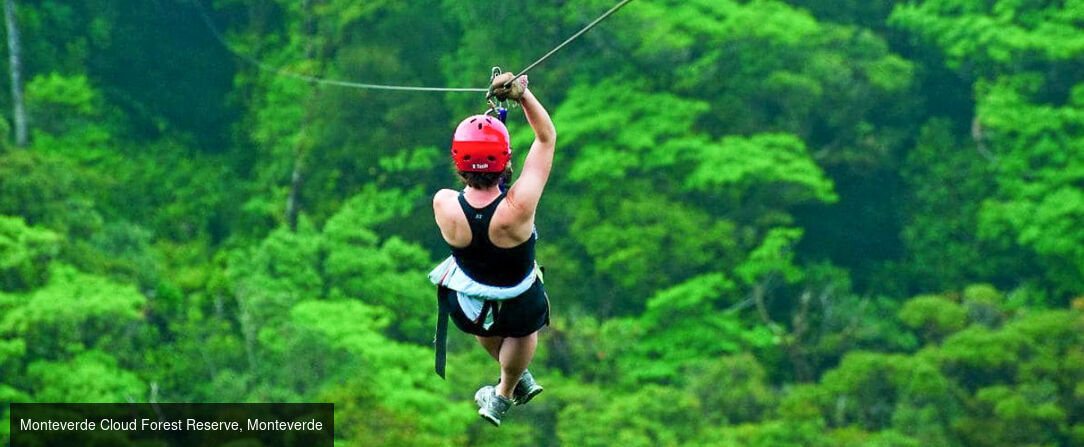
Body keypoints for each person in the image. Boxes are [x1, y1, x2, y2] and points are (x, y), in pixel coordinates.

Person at [428, 72, 556, 427]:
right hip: (518, 302)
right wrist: (523, 97)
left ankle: (512, 382)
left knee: (489, 319)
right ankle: (504, 393)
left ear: (458, 163)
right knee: (520, 326)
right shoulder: (518, 208)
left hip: (469, 306)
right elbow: (546, 139)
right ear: (506, 159)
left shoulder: (444, 204)